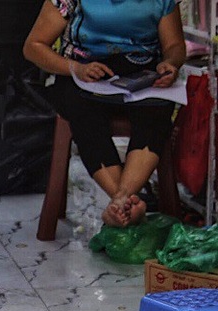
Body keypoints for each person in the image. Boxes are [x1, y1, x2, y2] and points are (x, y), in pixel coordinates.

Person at [23, 0, 186, 227]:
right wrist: (76, 69)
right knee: (84, 113)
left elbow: (175, 45)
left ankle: (120, 201)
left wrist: (170, 64)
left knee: (157, 110)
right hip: (82, 74)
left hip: (142, 75)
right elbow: (34, 46)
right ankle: (124, 201)